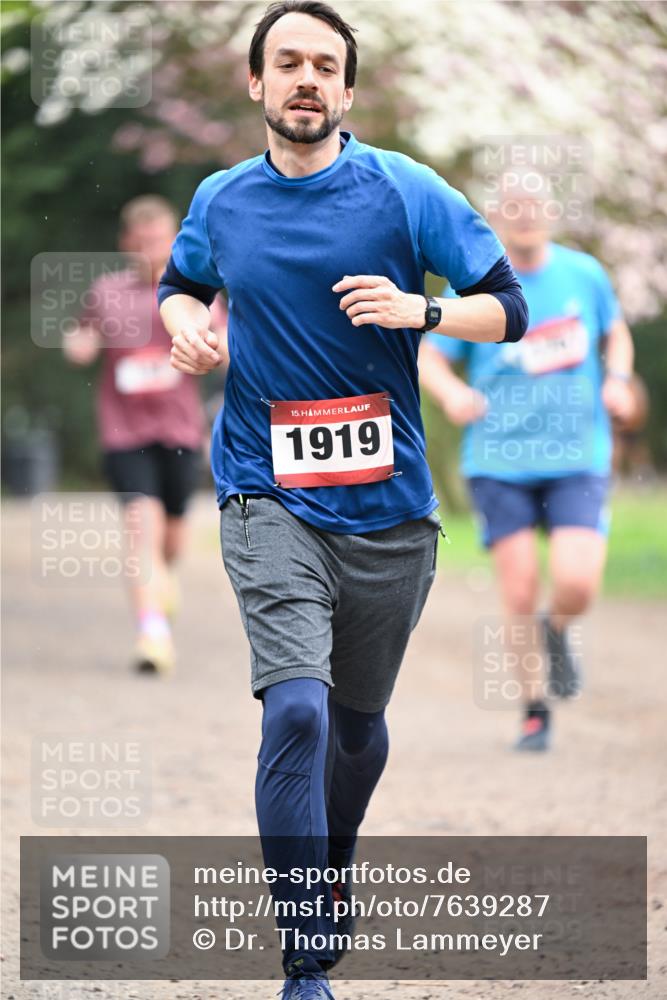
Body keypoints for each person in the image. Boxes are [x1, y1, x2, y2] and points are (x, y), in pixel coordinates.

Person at [158, 2, 527, 995]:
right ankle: (303, 958)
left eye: (325, 65)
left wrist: (422, 309)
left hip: (389, 511)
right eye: (287, 62)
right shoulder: (221, 199)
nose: (306, 79)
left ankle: (333, 857)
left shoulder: (405, 190)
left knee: (356, 726)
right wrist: (187, 325)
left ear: (348, 90)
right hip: (265, 494)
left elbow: (510, 308)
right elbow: (178, 283)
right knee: (296, 713)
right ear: (256, 82)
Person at [419, 170, 635, 753]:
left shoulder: (584, 275)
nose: (525, 214)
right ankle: (535, 710)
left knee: (577, 583)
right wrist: (453, 394)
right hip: (499, 458)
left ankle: (556, 628)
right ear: (496, 217)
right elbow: (430, 356)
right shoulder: (480, 287)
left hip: (576, 455)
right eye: (512, 206)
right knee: (518, 591)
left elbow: (616, 333)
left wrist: (617, 379)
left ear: (552, 212)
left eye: (534, 204)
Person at [63, 195, 228, 675]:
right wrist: (78, 344)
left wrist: (214, 350)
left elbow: (224, 344)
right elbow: (82, 336)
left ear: (175, 241)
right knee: (142, 527)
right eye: (142, 240)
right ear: (125, 244)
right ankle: (152, 632)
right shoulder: (106, 292)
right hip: (124, 432)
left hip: (180, 430)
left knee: (172, 538)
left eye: (159, 239)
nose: (151, 248)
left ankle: (162, 584)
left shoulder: (196, 292)